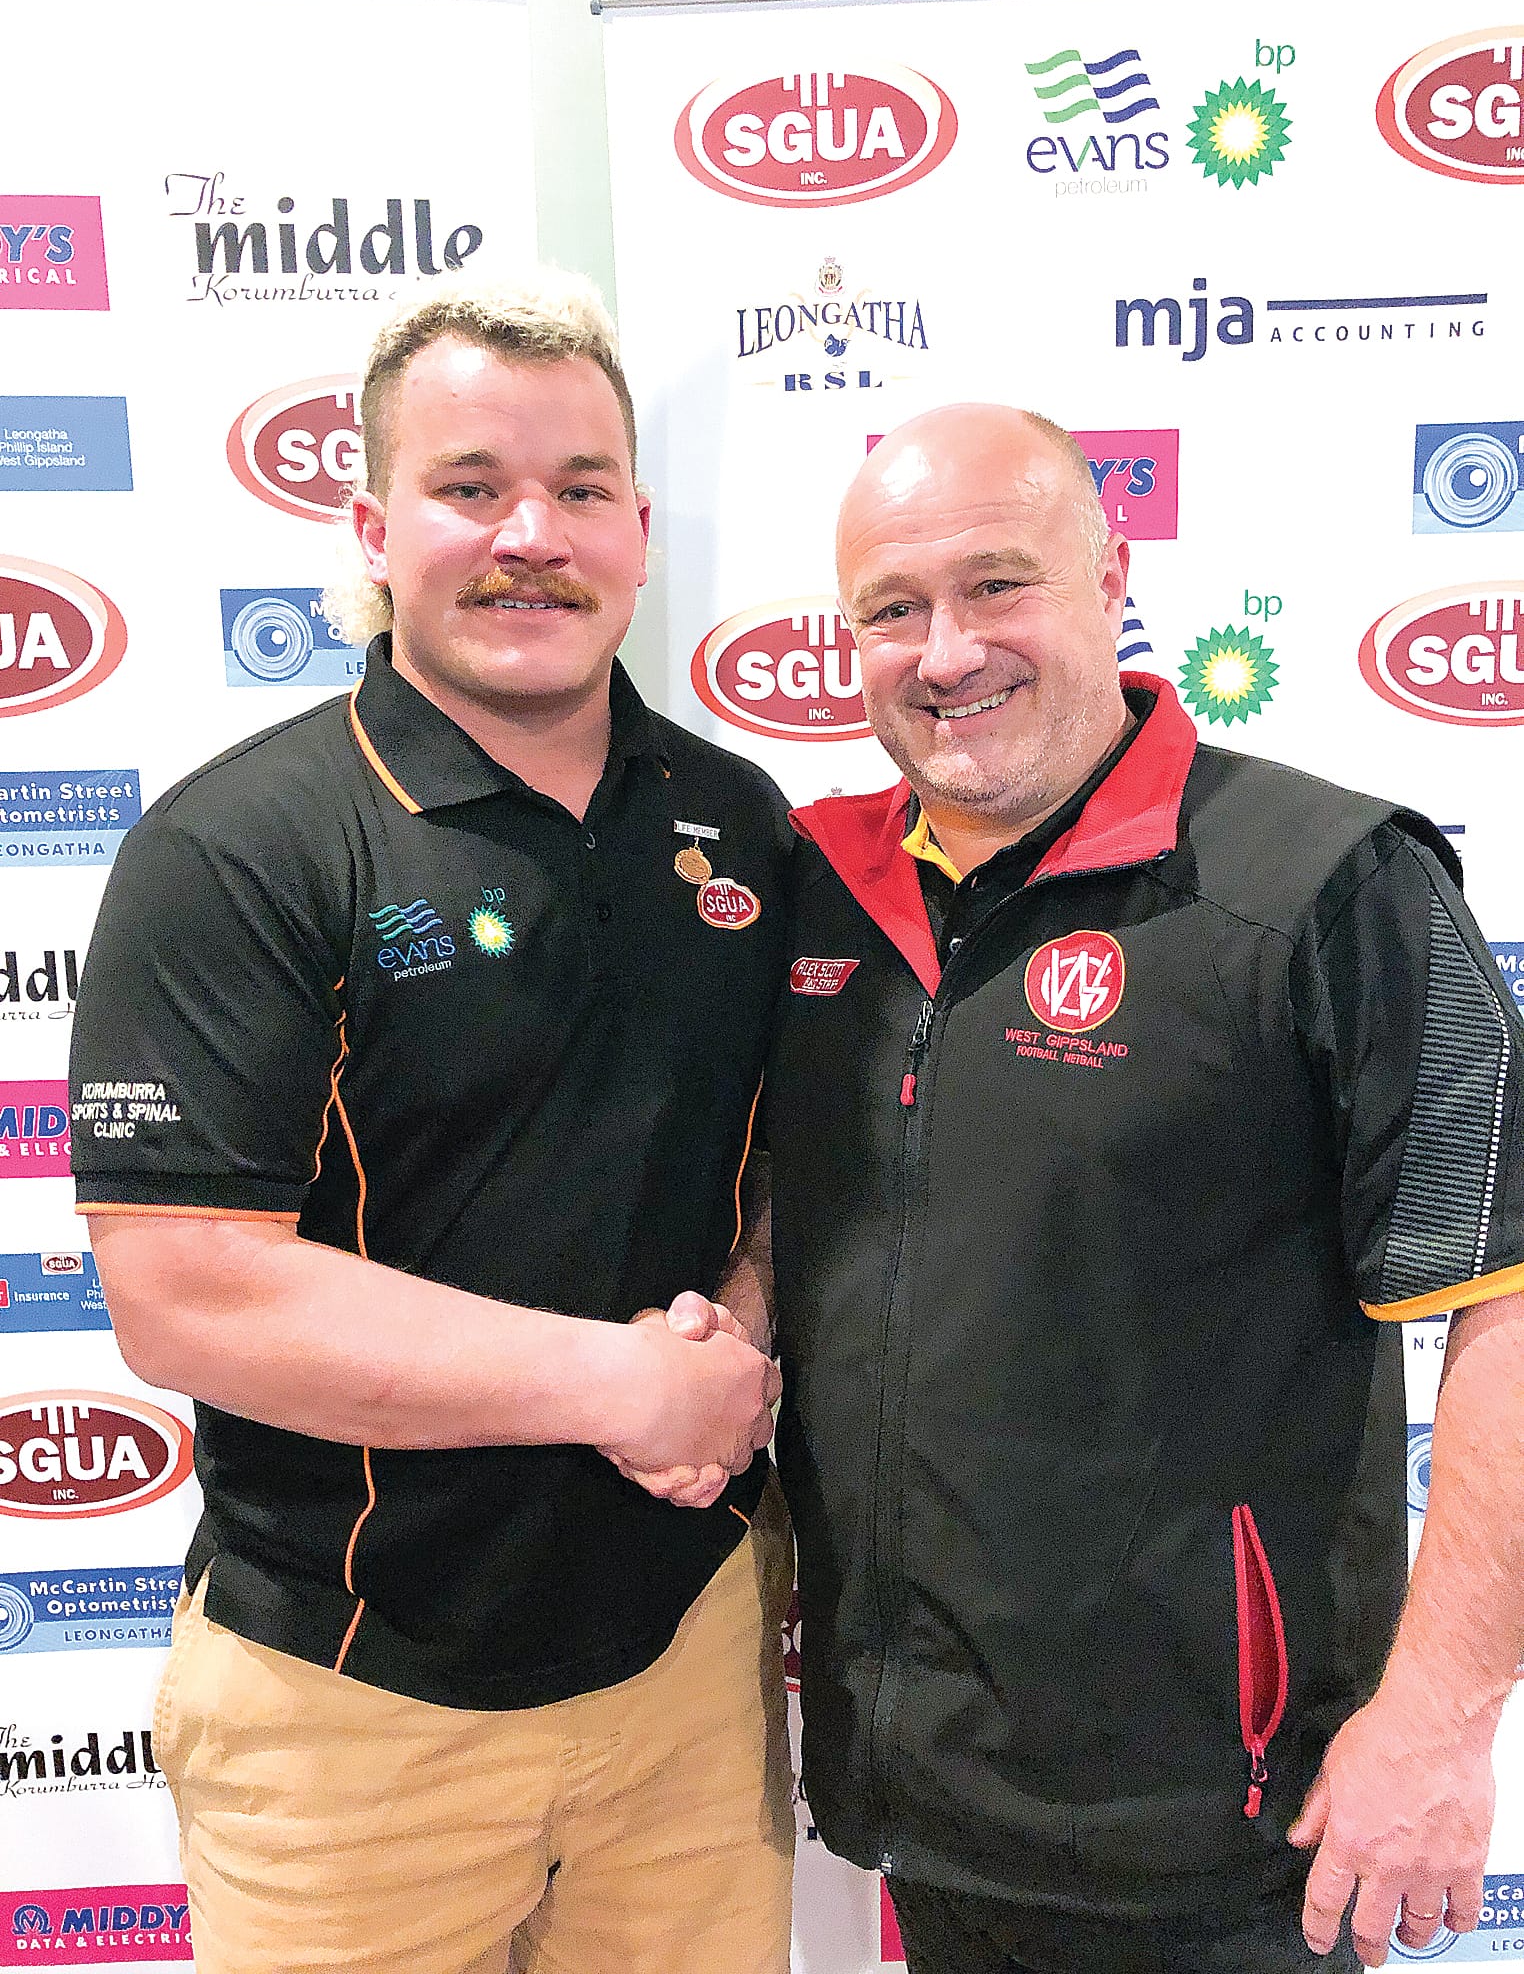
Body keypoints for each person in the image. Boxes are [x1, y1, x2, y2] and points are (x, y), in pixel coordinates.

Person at [68, 271, 796, 1974]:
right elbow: (189, 1293)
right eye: (471, 487)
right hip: (352, 1704)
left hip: (686, 1667)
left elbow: (781, 1163)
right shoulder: (241, 844)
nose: (529, 533)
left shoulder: (736, 818)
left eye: (582, 490)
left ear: (636, 531)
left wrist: (740, 1338)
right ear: (374, 524)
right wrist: (628, 1383)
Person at [760, 405, 1524, 1974]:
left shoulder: (1325, 882)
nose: (947, 649)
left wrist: (1442, 1724)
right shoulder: (811, 894)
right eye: (893, 610)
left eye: (998, 586)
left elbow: (1513, 1301)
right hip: (919, 1811)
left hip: (1224, 1840)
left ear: (1113, 576)